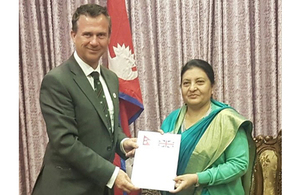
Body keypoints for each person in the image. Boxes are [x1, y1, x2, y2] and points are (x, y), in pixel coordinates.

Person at [31, 4, 139, 195]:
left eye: (101, 35)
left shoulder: (111, 78)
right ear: (74, 35)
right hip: (66, 188)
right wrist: (113, 174)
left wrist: (123, 143)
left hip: (98, 187)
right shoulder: (57, 80)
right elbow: (65, 142)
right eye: (87, 34)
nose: (94, 42)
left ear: (109, 37)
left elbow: (109, 128)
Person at [160, 59, 256, 195]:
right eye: (186, 83)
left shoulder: (228, 120)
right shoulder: (172, 120)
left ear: (212, 87)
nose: (192, 88)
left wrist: (197, 178)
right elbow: (161, 166)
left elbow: (239, 164)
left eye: (199, 82)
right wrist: (152, 149)